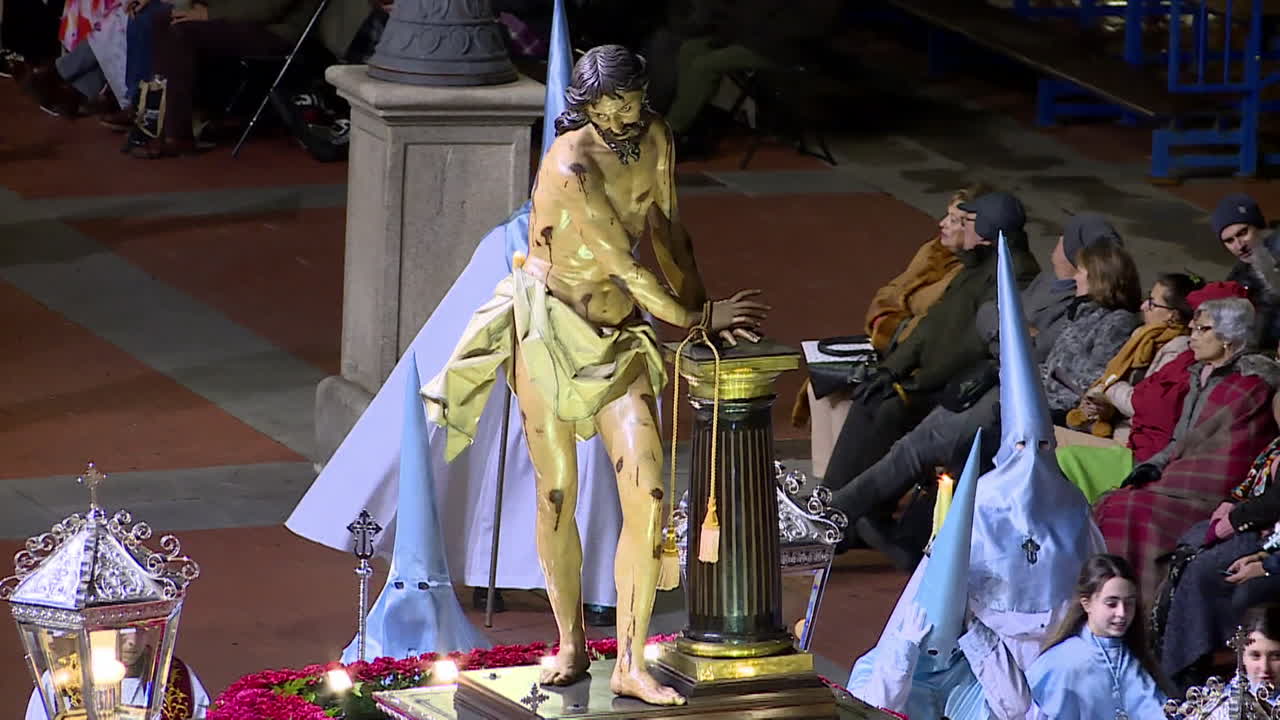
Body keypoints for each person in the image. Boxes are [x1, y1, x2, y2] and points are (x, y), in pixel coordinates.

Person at [423, 45, 767, 706]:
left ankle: (630, 661)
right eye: (607, 110)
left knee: (651, 494)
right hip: (550, 332)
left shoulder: (655, 137)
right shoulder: (570, 162)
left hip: (620, 337)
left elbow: (667, 234)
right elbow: (623, 263)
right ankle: (572, 640)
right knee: (557, 492)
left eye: (630, 105)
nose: (621, 120)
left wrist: (703, 316)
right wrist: (697, 318)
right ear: (584, 108)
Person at [825, 212, 1118, 562]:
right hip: (994, 383)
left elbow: (1040, 354)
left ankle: (833, 517)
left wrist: (1014, 336)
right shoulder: (1046, 283)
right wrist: (1011, 335)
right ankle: (837, 515)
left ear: (1079, 261)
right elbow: (992, 314)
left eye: (1061, 241)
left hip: (1015, 402)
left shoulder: (1084, 309)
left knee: (917, 446)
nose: (1054, 246)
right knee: (911, 443)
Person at [821, 191, 1039, 499]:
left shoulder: (1013, 274)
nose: (964, 227)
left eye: (971, 221)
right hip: (932, 378)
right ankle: (829, 498)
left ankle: (857, 512)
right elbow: (932, 324)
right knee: (868, 398)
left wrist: (916, 383)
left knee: (889, 412)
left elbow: (973, 347)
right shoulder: (977, 264)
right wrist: (892, 370)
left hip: (955, 387)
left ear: (987, 232)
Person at [1096, 297, 1280, 602]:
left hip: (1212, 490)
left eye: (1203, 329)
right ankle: (1105, 603)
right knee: (1114, 502)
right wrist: (1152, 468)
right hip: (1178, 474)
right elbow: (1179, 441)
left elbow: (1231, 453)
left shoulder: (1251, 384)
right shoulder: (1197, 375)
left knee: (1127, 509)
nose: (1192, 336)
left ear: (1228, 338)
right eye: (1193, 328)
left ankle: (1134, 609)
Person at [799, 183, 980, 479]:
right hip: (890, 347)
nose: (942, 224)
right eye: (945, 216)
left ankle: (842, 490)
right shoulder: (931, 252)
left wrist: (895, 326)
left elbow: (925, 330)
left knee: (851, 399)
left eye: (953, 220)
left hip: (915, 366)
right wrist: (893, 323)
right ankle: (823, 486)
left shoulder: (964, 276)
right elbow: (887, 296)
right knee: (818, 387)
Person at [134, 0, 374, 157]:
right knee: (161, 18)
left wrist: (208, 13)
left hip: (277, 31)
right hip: (241, 19)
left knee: (182, 34)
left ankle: (178, 134)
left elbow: (269, 7)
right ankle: (152, 112)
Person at [1159, 424, 1280, 687]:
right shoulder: (1275, 446)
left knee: (1227, 581)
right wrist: (1230, 505)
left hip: (1271, 548)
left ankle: (1199, 660)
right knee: (1193, 555)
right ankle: (1186, 661)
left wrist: (1267, 565)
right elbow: (1249, 486)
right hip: (1268, 540)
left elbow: (1274, 503)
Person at [1027, 554, 1168, 719]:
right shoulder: (1060, 663)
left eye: (1129, 603)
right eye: (1111, 604)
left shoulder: (1133, 657)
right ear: (1087, 603)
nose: (1122, 613)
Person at [1039, 241, 1142, 421]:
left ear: (1098, 278)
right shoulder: (1083, 313)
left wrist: (1046, 378)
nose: (1075, 278)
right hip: (1042, 399)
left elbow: (1094, 379)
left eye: (1080, 271)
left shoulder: (1119, 322)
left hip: (1065, 412)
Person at [1214, 193, 1280, 349]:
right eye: (1229, 241)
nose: (1239, 246)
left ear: (1259, 227)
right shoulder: (1238, 276)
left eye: (1243, 233)